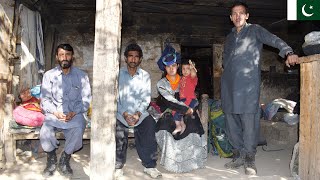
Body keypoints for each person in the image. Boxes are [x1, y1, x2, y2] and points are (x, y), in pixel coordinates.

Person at [221, 1, 299, 175]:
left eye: (241, 13)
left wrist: (288, 52)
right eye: (234, 13)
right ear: (231, 17)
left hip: (248, 86)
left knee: (249, 123)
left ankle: (249, 158)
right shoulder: (229, 37)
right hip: (228, 86)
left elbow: (274, 40)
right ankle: (238, 155)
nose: (237, 16)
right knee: (231, 122)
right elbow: (225, 60)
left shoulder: (255, 30)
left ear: (247, 16)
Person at [40, 44, 92, 177]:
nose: (65, 57)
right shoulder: (49, 75)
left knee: (78, 129)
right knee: (45, 130)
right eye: (62, 54)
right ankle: (51, 158)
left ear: (72, 56)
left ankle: (65, 157)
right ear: (57, 56)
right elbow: (45, 100)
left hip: (74, 114)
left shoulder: (82, 76)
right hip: (55, 113)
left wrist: (74, 112)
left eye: (68, 54)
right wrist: (55, 112)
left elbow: (86, 100)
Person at [156, 45, 207, 173]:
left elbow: (192, 93)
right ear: (165, 67)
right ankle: (171, 161)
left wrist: (190, 108)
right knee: (165, 122)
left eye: (174, 65)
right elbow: (169, 100)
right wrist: (185, 109)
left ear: (177, 66)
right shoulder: (162, 84)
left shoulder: (184, 80)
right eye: (168, 66)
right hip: (171, 109)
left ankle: (191, 160)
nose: (171, 68)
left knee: (192, 120)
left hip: (187, 109)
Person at [115, 43, 161, 179]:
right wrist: (125, 114)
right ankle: (118, 167)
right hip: (121, 114)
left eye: (136, 57)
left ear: (140, 59)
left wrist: (137, 114)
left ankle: (150, 166)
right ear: (125, 58)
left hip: (139, 114)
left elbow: (146, 98)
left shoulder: (145, 75)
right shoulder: (118, 74)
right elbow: (115, 98)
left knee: (149, 126)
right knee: (118, 133)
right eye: (130, 56)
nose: (133, 60)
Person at [172, 59, 198, 135]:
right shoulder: (181, 78)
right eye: (183, 69)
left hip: (189, 99)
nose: (185, 71)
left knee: (179, 110)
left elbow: (193, 73)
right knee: (174, 110)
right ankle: (182, 126)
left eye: (188, 69)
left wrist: (192, 66)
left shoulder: (192, 78)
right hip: (183, 99)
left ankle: (178, 126)